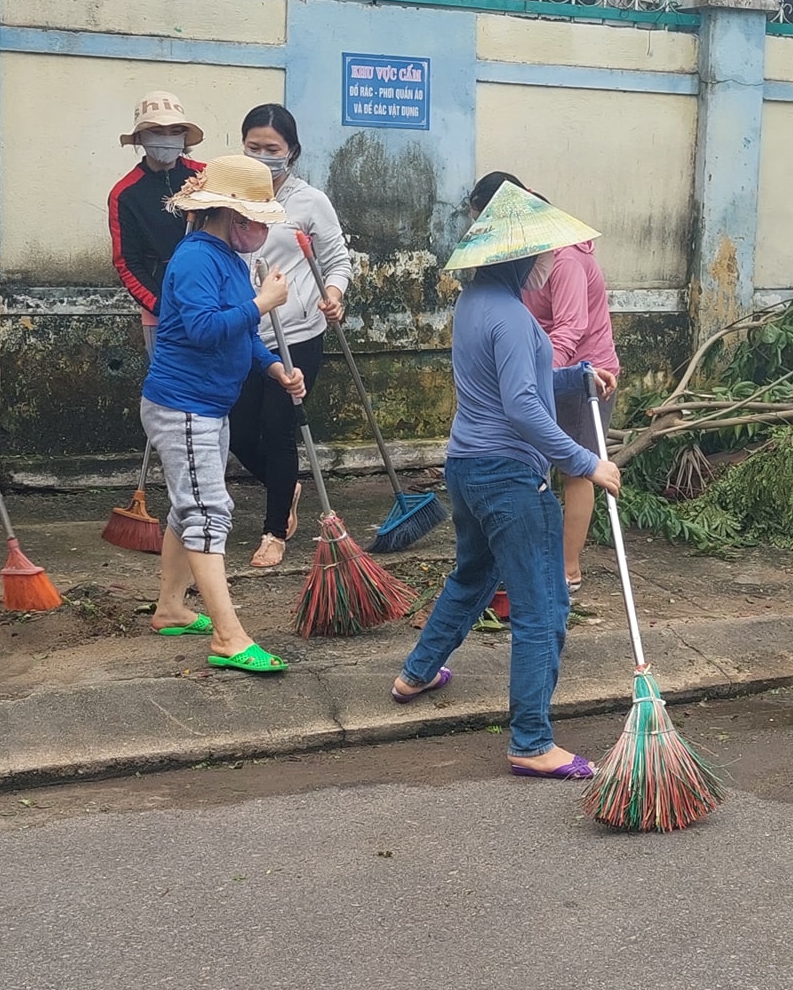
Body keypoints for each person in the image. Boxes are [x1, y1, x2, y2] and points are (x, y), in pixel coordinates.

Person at [391, 181, 621, 779]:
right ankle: (531, 740)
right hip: (511, 480)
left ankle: (416, 673)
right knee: (543, 607)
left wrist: (576, 380)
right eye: (545, 251)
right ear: (522, 256)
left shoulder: (474, 304)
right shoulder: (516, 319)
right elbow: (521, 408)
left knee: (471, 575)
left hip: (466, 468)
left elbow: (511, 385)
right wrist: (586, 462)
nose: (553, 260)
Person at [141, 156, 307, 674]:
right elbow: (205, 330)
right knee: (208, 510)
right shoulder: (196, 260)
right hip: (184, 405)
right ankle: (228, 637)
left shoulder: (229, 259)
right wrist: (262, 302)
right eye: (258, 220)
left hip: (206, 405)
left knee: (186, 507)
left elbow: (237, 335)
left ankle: (171, 607)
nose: (263, 230)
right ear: (232, 217)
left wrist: (275, 367)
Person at [467, 172, 620, 596]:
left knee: (579, 467)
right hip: (541, 369)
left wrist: (532, 372)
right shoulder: (512, 263)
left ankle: (568, 569)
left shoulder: (564, 260)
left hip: (587, 375)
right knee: (540, 464)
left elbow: (571, 328)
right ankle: (535, 562)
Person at [231, 103, 353, 569]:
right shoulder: (230, 197)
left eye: (272, 149)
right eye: (253, 147)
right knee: (240, 432)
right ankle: (288, 486)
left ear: (292, 152)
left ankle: (274, 531)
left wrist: (333, 294)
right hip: (243, 330)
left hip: (297, 332)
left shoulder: (309, 202)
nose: (263, 156)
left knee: (279, 430)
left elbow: (337, 261)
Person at [108, 91, 206, 354]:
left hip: (214, 304)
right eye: (157, 131)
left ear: (185, 137)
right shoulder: (125, 194)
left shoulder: (207, 176)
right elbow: (127, 264)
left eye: (175, 130)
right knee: (170, 389)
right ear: (139, 138)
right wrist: (164, 306)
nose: (167, 138)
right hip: (161, 313)